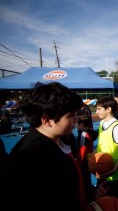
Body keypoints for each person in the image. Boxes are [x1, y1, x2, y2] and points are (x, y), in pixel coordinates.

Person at [3, 82, 108, 210]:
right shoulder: (32, 157)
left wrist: (90, 193)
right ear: (47, 120)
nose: (76, 119)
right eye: (71, 115)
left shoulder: (62, 140)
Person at [94, 96, 118, 204]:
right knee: (102, 201)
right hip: (103, 170)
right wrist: (93, 154)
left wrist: (114, 170)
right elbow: (101, 143)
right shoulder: (101, 123)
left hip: (115, 174)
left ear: (108, 109)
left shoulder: (116, 127)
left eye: (99, 109)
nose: (96, 111)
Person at [76, 104, 98, 202]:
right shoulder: (87, 133)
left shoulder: (84, 135)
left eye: (76, 123)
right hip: (87, 162)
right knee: (87, 181)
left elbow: (82, 152)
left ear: (81, 124)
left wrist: (77, 164)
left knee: (85, 185)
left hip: (83, 164)